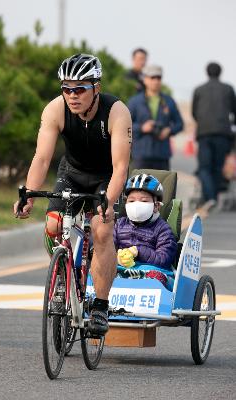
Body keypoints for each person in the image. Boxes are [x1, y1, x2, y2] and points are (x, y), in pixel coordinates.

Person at [13, 53, 132, 335]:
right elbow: (42, 159)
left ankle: (101, 307)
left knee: (102, 231)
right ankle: (64, 271)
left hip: (107, 176)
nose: (72, 95)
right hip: (73, 172)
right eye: (67, 88)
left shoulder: (117, 112)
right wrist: (28, 194)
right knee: (54, 224)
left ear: (96, 88)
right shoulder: (55, 110)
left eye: (80, 89)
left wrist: (108, 203)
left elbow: (120, 168)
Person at [113, 174, 177, 288]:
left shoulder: (163, 229)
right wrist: (117, 256)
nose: (136, 205)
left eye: (143, 201)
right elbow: (107, 247)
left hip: (148, 272)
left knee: (157, 277)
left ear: (156, 206)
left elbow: (164, 259)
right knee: (98, 271)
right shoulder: (119, 224)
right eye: (132, 201)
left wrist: (138, 251)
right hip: (121, 270)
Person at [192, 62, 236, 208]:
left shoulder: (199, 90)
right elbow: (234, 111)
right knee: (218, 167)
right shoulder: (228, 89)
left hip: (204, 133)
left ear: (207, 72)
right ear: (220, 72)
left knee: (204, 167)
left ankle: (209, 197)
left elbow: (194, 112)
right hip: (223, 133)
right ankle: (213, 196)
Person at [128, 65, 184, 171]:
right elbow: (125, 126)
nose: (156, 81)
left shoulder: (169, 101)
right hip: (141, 155)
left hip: (162, 155)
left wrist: (169, 130)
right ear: (145, 80)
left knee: (164, 187)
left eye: (159, 78)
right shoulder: (134, 102)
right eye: (152, 77)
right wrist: (142, 128)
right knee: (138, 187)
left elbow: (180, 124)